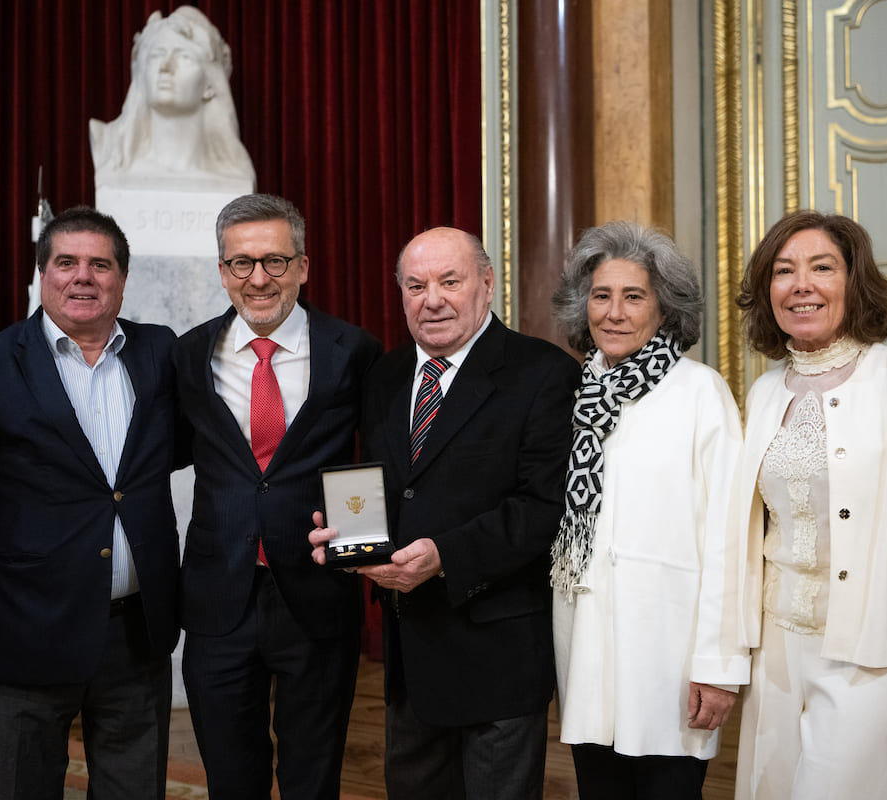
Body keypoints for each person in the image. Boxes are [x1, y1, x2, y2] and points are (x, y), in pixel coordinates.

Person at [0, 206, 181, 800]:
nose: (82, 277)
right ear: (43, 274)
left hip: (136, 634)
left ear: (122, 278)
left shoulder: (160, 355)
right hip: (27, 632)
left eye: (100, 264)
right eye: (67, 262)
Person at [309, 227, 580, 800]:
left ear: (486, 284)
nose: (431, 298)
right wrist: (346, 540)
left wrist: (445, 557)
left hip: (498, 651)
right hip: (410, 652)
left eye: (449, 281)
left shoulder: (543, 373)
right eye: (416, 285)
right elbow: (379, 489)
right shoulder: (383, 375)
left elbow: (542, 508)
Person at [732, 210, 887, 799]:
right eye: (784, 271)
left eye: (823, 267)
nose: (802, 285)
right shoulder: (765, 392)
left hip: (875, 661)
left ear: (855, 282)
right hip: (775, 653)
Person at [174, 193, 381, 799]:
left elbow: (370, 457)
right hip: (218, 597)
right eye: (241, 263)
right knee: (230, 777)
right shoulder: (189, 354)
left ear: (303, 267)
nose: (258, 278)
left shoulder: (353, 351)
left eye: (275, 261)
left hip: (316, 594)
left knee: (311, 777)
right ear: (222, 271)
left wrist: (359, 548)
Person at [548, 221, 748, 799]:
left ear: (665, 309)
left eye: (633, 296)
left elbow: (728, 541)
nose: (613, 313)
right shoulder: (571, 391)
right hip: (585, 649)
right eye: (601, 295)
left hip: (671, 655)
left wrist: (718, 665)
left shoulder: (701, 393)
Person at [90, 6, 255, 192]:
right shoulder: (110, 154)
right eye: (156, 55)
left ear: (210, 85)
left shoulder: (234, 175)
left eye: (184, 56)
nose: (165, 67)